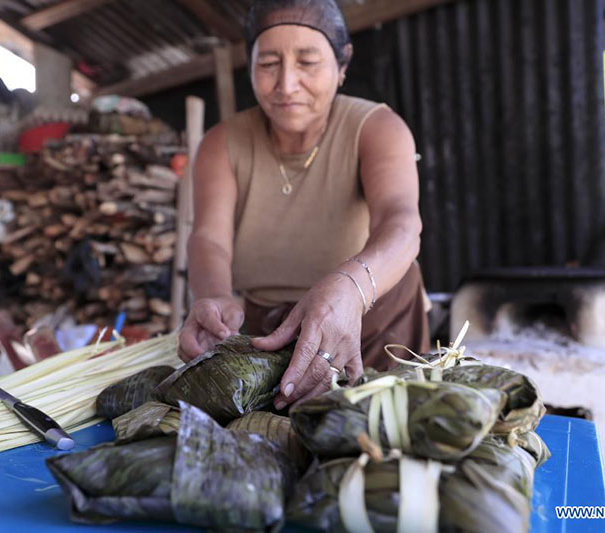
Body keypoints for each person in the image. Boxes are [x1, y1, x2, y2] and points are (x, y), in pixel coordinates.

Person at [178, 0, 429, 410]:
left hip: (373, 319)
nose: (287, 84)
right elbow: (209, 238)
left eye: (308, 61)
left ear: (342, 64)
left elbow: (401, 224)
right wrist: (214, 297)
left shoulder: (378, 128)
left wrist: (350, 288)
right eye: (269, 63)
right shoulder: (221, 143)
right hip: (268, 332)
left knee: (383, 433)